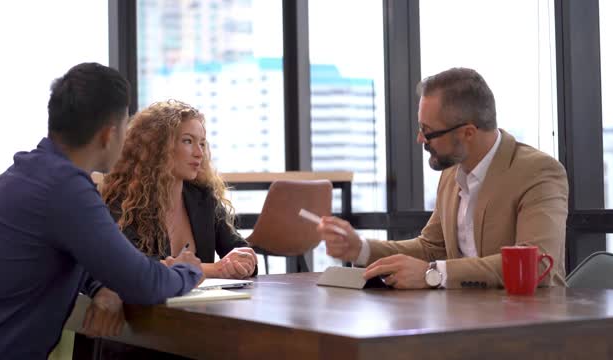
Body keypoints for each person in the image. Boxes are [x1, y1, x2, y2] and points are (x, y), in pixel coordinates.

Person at [0, 63, 204, 359]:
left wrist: (102, 286)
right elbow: (143, 283)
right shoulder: (65, 189)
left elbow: (83, 254)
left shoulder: (27, 173)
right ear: (108, 135)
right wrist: (189, 269)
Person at [318, 67, 568, 290]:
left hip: (531, 325)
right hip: (463, 319)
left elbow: (536, 262)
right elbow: (431, 248)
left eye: (428, 132)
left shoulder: (538, 171)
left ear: (468, 132)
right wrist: (361, 249)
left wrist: (434, 274)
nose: (420, 140)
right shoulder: (452, 174)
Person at [87, 100, 257, 359]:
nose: (199, 153)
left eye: (202, 143)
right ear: (157, 148)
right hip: (137, 334)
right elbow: (133, 268)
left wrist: (244, 258)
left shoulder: (202, 198)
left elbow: (234, 246)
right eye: (188, 141)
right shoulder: (124, 200)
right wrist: (211, 269)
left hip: (195, 327)